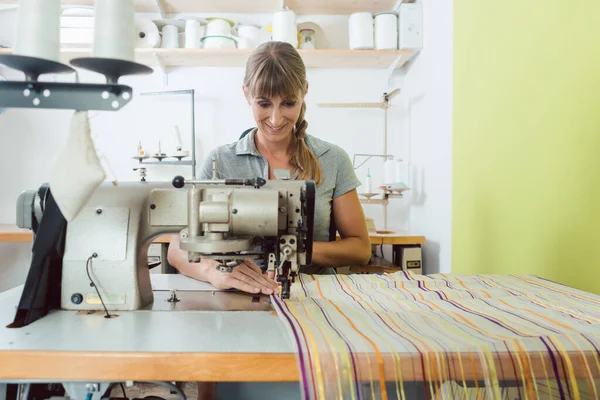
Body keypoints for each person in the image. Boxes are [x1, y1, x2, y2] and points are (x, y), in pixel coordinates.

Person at [167, 41, 371, 294]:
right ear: (246, 94)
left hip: (315, 296)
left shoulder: (333, 159)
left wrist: (296, 250)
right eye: (264, 104)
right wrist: (212, 271)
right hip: (237, 297)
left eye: (288, 103)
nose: (276, 119)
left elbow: (361, 249)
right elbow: (177, 250)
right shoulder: (219, 162)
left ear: (304, 92)